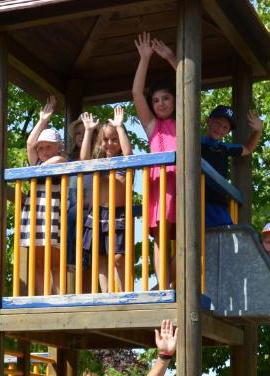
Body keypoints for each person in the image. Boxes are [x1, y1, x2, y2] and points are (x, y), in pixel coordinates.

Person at [132, 32, 178, 289]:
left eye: (166, 98)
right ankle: (163, 285)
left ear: (175, 100)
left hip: (180, 184)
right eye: (156, 100)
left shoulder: (182, 120)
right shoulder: (152, 126)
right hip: (160, 185)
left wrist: (170, 57)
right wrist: (145, 59)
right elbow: (137, 92)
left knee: (183, 238)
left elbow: (188, 85)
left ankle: (174, 281)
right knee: (160, 237)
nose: (160, 104)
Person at [79, 107, 133, 292]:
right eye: (105, 140)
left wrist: (119, 127)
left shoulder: (125, 164)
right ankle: (107, 293)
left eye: (114, 139)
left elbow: (127, 153)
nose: (110, 143)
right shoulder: (99, 163)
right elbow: (84, 158)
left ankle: (122, 291)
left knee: (118, 257)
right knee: (100, 256)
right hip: (99, 213)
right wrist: (88, 131)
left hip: (118, 213)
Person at [20, 96, 67, 294]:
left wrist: (33, 171)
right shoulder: (37, 163)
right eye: (41, 148)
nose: (43, 151)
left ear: (59, 146)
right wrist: (43, 120)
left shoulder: (61, 159)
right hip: (35, 215)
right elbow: (30, 144)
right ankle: (42, 296)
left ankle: (58, 296)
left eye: (48, 146)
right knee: (38, 263)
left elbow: (55, 161)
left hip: (53, 214)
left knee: (55, 261)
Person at [201, 104, 263, 227]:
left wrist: (258, 131)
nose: (220, 129)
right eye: (218, 123)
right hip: (198, 199)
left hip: (218, 203)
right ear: (208, 121)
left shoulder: (224, 148)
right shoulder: (195, 143)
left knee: (227, 234)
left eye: (225, 127)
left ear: (228, 132)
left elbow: (247, 149)